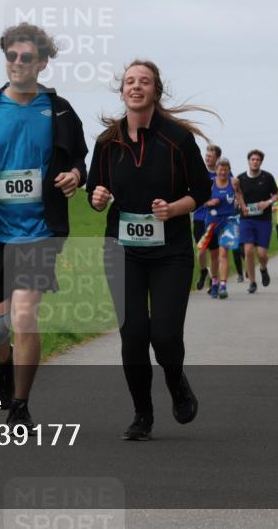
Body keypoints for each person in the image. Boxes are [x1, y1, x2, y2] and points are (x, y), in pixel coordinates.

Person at [0, 23, 88, 428]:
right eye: (12, 55)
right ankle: (3, 361)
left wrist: (76, 175)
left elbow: (80, 159)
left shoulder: (59, 111)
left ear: (43, 63)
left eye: (27, 57)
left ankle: (21, 405)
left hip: (40, 230)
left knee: (24, 316)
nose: (18, 63)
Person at [87, 59, 212, 441]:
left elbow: (201, 191)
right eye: (129, 82)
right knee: (134, 334)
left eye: (144, 82)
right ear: (121, 91)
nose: (136, 87)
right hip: (123, 249)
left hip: (170, 251)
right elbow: (95, 193)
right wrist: (98, 197)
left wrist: (174, 209)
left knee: (166, 336)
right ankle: (143, 414)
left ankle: (176, 383)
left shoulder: (177, 138)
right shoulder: (107, 142)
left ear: (156, 90)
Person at [233, 150, 278, 294]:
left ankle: (263, 268)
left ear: (261, 162)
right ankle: (252, 282)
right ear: (248, 161)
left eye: (258, 160)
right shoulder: (240, 178)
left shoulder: (267, 177)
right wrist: (239, 204)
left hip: (263, 220)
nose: (255, 162)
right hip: (246, 219)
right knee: (248, 251)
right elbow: (237, 196)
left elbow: (277, 195)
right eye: (253, 159)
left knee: (262, 253)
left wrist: (268, 202)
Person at [202, 157, 238, 299]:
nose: (223, 172)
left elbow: (240, 195)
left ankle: (223, 285)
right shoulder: (210, 184)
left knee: (224, 254)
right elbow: (201, 200)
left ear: (229, 170)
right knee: (214, 255)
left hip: (228, 222)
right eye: (220, 169)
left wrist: (242, 206)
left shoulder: (233, 183)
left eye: (226, 169)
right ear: (216, 170)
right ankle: (214, 282)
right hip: (212, 223)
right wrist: (210, 202)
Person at [193, 144, 222, 291]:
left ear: (217, 158)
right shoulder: (199, 172)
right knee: (201, 250)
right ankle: (204, 270)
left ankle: (214, 280)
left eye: (210, 156)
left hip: (217, 219)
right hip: (200, 217)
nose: (207, 158)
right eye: (206, 155)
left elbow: (232, 192)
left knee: (214, 251)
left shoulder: (224, 174)